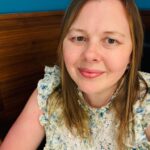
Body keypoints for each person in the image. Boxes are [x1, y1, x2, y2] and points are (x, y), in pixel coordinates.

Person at [1, 0, 150, 149]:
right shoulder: (50, 90)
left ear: (132, 53)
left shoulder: (145, 100)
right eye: (79, 38)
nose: (90, 54)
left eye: (111, 40)